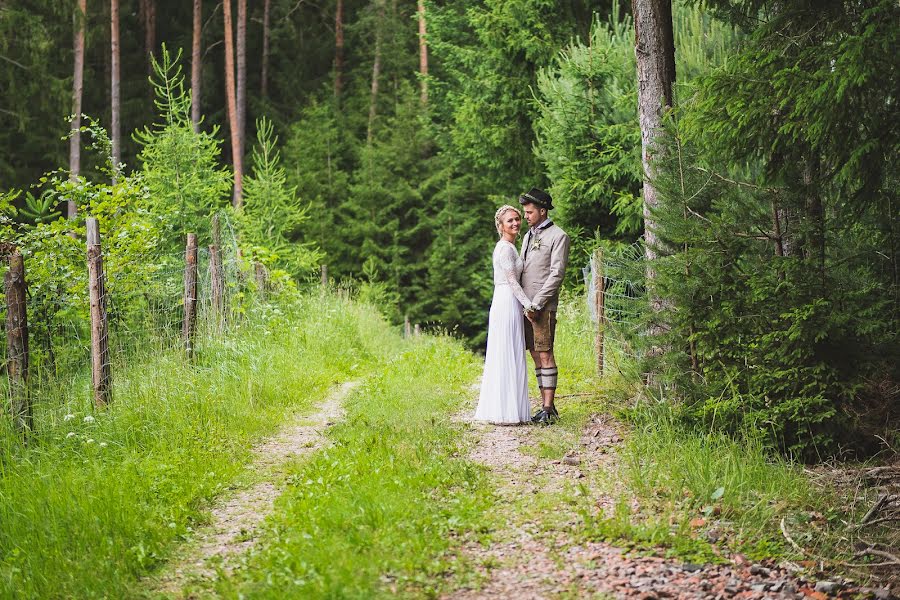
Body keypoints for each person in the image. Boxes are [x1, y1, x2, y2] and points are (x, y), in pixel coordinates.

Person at [474, 205, 534, 424]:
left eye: (517, 219)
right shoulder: (505, 249)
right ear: (500, 226)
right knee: (506, 350)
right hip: (507, 300)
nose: (516, 223)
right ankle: (505, 410)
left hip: (508, 300)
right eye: (510, 220)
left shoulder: (510, 246)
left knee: (510, 349)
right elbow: (512, 282)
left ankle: (510, 408)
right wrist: (530, 305)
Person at [518, 188, 570, 425]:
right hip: (525, 305)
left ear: (542, 210)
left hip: (542, 306)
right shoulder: (529, 235)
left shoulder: (559, 236)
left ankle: (548, 410)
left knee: (546, 353)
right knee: (535, 355)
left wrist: (537, 303)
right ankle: (546, 405)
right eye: (525, 212)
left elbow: (556, 274)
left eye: (529, 212)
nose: (526, 216)